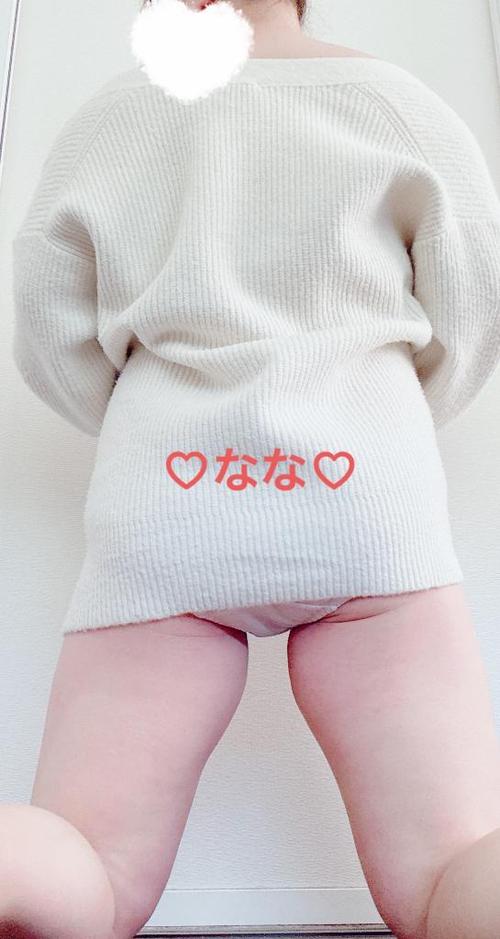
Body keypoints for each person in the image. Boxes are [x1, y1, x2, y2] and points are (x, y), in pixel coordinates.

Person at [5, 0, 500, 936]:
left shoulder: (114, 118)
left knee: (90, 864)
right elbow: (475, 301)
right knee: (449, 867)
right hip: (368, 493)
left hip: (167, 495)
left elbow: (47, 325)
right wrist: (395, 418)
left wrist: (132, 424)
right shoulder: (394, 103)